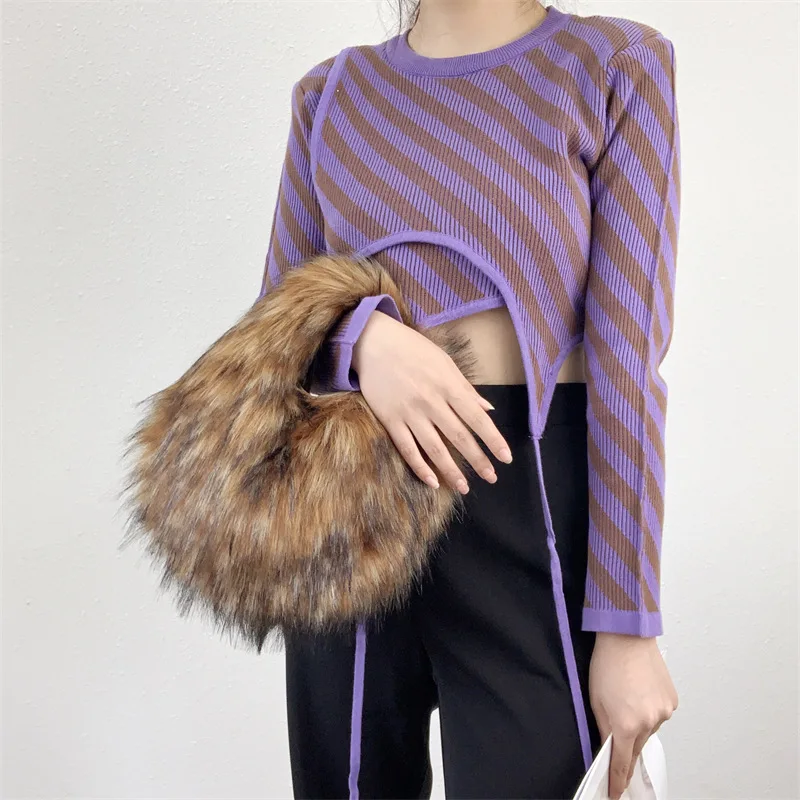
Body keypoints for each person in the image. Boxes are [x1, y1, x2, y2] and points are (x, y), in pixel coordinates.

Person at [258, 1, 681, 797]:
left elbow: (628, 363)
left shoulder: (613, 66)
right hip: (345, 507)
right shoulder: (331, 95)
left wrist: (628, 626)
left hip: (526, 495)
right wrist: (363, 341)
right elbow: (274, 331)